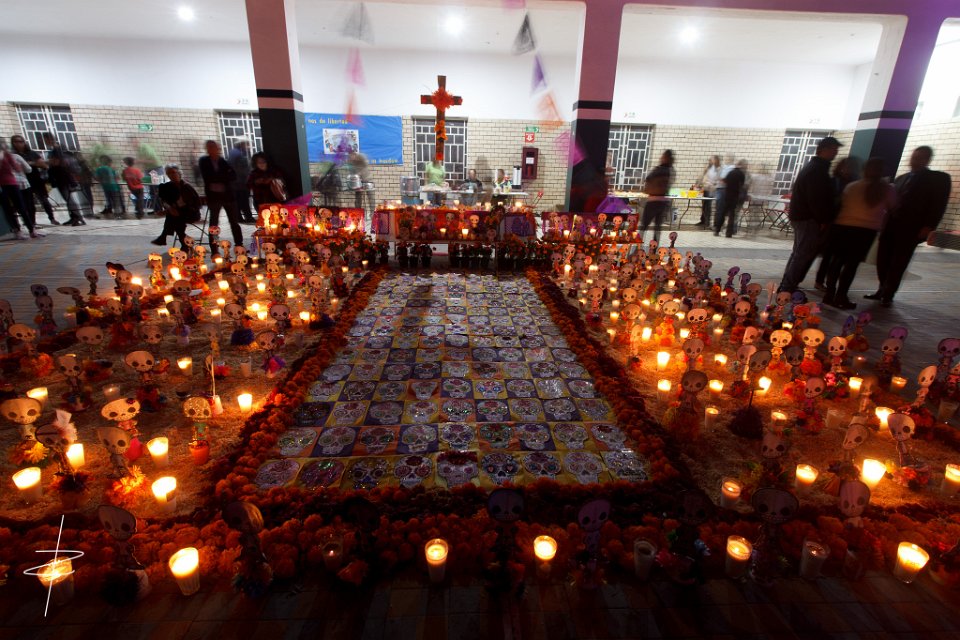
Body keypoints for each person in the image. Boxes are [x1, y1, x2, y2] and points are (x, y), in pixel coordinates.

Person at [866, 146, 951, 307]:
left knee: (899, 261)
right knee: (883, 259)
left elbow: (938, 204)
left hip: (911, 228)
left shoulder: (937, 179)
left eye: (920, 158)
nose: (914, 160)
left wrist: (929, 226)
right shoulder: (901, 178)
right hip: (891, 225)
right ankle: (882, 288)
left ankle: (888, 293)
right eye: (914, 157)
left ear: (927, 160)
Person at [819, 157, 896, 310]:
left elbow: (840, 205)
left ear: (864, 170)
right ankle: (841, 296)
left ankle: (829, 294)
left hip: (842, 227)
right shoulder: (887, 189)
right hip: (866, 231)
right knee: (851, 265)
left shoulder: (852, 186)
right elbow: (894, 208)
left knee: (836, 262)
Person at [777, 136, 842, 293]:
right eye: (833, 149)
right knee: (802, 254)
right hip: (807, 218)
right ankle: (787, 287)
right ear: (824, 149)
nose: (835, 153)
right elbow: (816, 199)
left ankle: (787, 284)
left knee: (799, 253)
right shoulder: (817, 170)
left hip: (803, 216)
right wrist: (823, 219)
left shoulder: (814, 167)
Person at [814, 156, 861, 290]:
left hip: (847, 223)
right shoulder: (835, 182)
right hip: (834, 222)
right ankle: (820, 280)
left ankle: (831, 283)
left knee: (839, 257)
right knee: (828, 254)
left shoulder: (854, 183)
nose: (847, 170)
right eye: (845, 167)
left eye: (850, 167)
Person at [199, 139, 243, 254]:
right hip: (214, 197)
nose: (213, 150)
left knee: (234, 222)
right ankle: (214, 249)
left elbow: (233, 176)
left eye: (214, 147)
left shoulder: (223, 161)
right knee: (214, 224)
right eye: (210, 147)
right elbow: (208, 177)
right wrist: (223, 177)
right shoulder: (204, 161)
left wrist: (220, 177)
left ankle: (239, 245)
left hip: (228, 196)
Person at [10, 135, 58, 225]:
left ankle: (52, 218)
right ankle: (32, 222)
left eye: (21, 141)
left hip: (36, 180)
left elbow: (44, 165)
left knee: (44, 200)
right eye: (16, 142)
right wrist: (32, 163)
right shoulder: (13, 155)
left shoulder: (31, 153)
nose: (19, 144)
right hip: (23, 181)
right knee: (29, 203)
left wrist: (29, 163)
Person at [152, 164, 200, 247]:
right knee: (175, 219)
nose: (171, 175)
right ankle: (184, 244)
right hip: (176, 213)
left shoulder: (186, 187)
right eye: (169, 173)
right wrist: (169, 208)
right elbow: (164, 201)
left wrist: (169, 211)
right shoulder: (166, 187)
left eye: (173, 172)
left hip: (190, 212)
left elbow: (194, 204)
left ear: (179, 173)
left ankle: (164, 237)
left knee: (173, 218)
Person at [0, 143, 37, 239]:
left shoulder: (8, 155)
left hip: (12, 183)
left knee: (21, 207)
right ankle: (18, 231)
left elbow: (17, 168)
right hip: (3, 185)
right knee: (8, 209)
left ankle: (31, 230)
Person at [639, 150, 675, 243]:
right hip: (663, 202)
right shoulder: (671, 170)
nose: (661, 158)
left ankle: (637, 247)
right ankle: (654, 248)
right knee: (657, 228)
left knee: (644, 226)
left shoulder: (659, 170)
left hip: (653, 201)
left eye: (662, 156)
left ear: (665, 158)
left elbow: (648, 179)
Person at [715, 159, 747, 237]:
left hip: (727, 195)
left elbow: (725, 181)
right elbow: (742, 185)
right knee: (732, 215)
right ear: (741, 165)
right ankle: (729, 233)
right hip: (735, 197)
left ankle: (717, 230)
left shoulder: (730, 173)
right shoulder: (741, 174)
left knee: (723, 213)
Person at [228, 139, 254, 223]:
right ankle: (248, 217)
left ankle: (239, 217)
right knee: (244, 200)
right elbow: (243, 169)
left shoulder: (232, 153)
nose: (248, 147)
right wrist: (249, 177)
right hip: (241, 182)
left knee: (238, 201)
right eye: (247, 145)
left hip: (234, 182)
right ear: (242, 145)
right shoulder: (240, 154)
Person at [712, 154, 736, 232]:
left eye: (728, 158)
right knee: (719, 208)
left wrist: (724, 180)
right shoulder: (722, 167)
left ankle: (723, 226)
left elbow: (730, 179)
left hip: (727, 190)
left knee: (725, 209)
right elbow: (716, 177)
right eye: (725, 158)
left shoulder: (733, 168)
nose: (726, 160)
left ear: (732, 159)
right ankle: (717, 225)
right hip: (720, 189)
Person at [698, 155, 720, 227]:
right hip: (705, 189)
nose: (709, 162)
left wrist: (712, 185)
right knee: (704, 205)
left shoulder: (717, 169)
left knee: (708, 206)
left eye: (711, 160)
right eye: (709, 160)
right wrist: (701, 185)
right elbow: (704, 178)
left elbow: (716, 180)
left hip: (711, 190)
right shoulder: (708, 169)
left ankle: (707, 222)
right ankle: (703, 220)